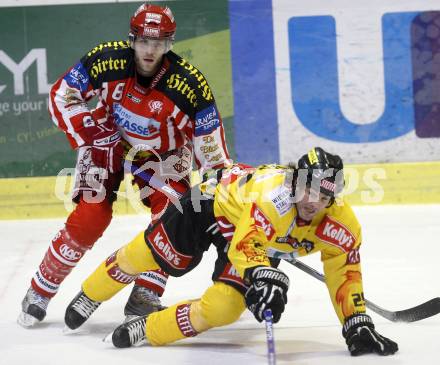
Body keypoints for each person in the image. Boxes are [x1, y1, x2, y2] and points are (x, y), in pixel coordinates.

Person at [63, 147, 398, 357]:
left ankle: (149, 327)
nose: (313, 202)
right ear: (295, 182)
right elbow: (246, 246)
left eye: (323, 196)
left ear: (334, 198)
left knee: (224, 307)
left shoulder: (342, 225)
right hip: (208, 206)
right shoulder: (274, 199)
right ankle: (91, 292)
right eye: (307, 189)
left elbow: (345, 272)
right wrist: (263, 274)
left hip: (248, 237)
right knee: (145, 255)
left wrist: (355, 321)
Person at [17, 2, 231, 327]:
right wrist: (93, 131)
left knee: (173, 217)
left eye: (158, 42)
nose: (149, 50)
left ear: (169, 44)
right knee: (90, 216)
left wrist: (225, 199)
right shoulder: (106, 59)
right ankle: (40, 290)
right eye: (144, 41)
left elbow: (213, 154)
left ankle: (146, 294)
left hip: (161, 156)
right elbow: (62, 94)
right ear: (132, 39)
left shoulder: (191, 87)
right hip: (107, 140)